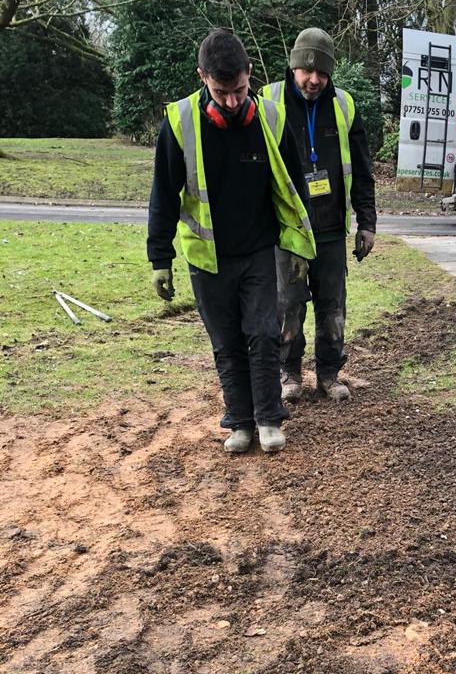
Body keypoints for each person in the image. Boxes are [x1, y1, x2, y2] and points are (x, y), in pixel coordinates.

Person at [147, 29, 315, 454]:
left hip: (259, 249)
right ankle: (239, 421)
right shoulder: (180, 122)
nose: (233, 101)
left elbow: (294, 189)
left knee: (262, 333)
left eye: (240, 90)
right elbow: (163, 195)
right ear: (202, 77)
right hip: (207, 256)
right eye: (222, 93)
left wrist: (297, 247)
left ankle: (269, 418)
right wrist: (159, 258)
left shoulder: (272, 118)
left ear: (250, 75)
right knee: (226, 342)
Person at [262, 27, 377, 403]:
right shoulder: (268, 101)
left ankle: (328, 374)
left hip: (330, 229)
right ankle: (289, 373)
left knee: (333, 308)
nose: (313, 80)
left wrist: (367, 222)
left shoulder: (343, 106)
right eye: (306, 70)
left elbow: (361, 169)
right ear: (293, 66)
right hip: (289, 231)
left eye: (322, 73)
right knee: (287, 306)